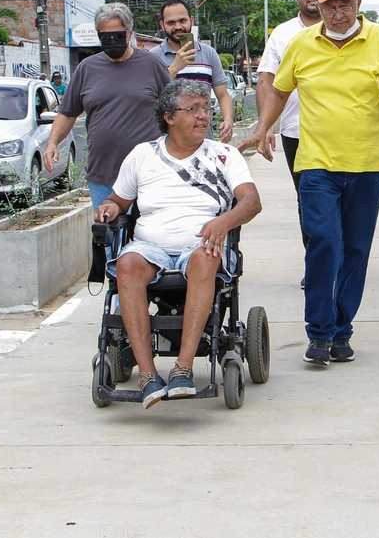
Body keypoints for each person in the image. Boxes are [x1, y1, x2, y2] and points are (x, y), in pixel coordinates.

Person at [240, 0, 379, 366]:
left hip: (367, 164)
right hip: (316, 164)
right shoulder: (302, 43)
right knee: (324, 242)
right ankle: (318, 332)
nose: (338, 13)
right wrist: (263, 128)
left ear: (358, 4)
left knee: (355, 249)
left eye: (344, 4)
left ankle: (341, 329)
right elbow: (280, 89)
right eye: (330, 5)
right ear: (318, 4)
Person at [94, 79, 261, 408]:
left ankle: (182, 369)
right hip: (150, 247)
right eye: (193, 109)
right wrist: (109, 208)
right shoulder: (143, 155)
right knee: (126, 264)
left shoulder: (224, 155)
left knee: (204, 256)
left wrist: (224, 220)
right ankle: (147, 375)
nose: (204, 116)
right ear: (169, 117)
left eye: (206, 109)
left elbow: (251, 202)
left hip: (200, 246)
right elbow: (119, 200)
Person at [45, 2, 170, 209]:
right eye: (105, 37)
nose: (112, 41)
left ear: (129, 34)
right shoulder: (87, 69)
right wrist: (52, 143)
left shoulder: (152, 65)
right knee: (108, 238)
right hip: (103, 177)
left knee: (149, 237)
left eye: (118, 36)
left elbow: (173, 111)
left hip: (148, 176)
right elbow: (67, 113)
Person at [244, 0, 323, 263]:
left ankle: (339, 259)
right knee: (308, 199)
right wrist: (266, 127)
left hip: (341, 132)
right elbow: (266, 80)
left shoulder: (342, 26)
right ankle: (317, 262)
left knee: (341, 201)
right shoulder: (284, 33)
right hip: (296, 132)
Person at [149, 0, 234, 143]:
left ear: (191, 20)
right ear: (162, 25)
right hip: (165, 143)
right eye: (171, 23)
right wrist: (175, 67)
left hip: (203, 140)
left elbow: (223, 95)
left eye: (182, 20)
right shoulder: (152, 57)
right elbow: (151, 97)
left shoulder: (209, 53)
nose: (178, 27)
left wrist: (228, 120)